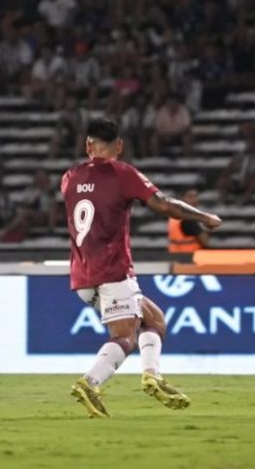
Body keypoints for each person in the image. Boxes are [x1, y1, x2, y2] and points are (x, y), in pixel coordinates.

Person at [61, 119, 221, 418]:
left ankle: (152, 376)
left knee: (154, 320)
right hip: (112, 270)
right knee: (126, 336)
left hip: (81, 274)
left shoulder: (70, 177)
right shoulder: (123, 174)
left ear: (87, 146)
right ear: (119, 145)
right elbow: (163, 204)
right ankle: (90, 382)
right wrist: (204, 217)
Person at [167, 188, 210, 253]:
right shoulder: (189, 218)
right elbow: (205, 241)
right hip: (189, 257)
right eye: (190, 196)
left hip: (176, 257)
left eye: (196, 196)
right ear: (182, 199)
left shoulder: (174, 216)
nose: (194, 200)